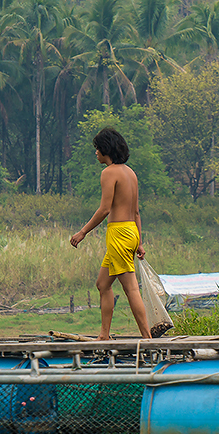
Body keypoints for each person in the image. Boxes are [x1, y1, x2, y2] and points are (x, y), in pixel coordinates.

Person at [70, 127, 151, 340]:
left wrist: (83, 232)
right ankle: (104, 334)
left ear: (106, 149)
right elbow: (135, 211)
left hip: (119, 234)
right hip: (130, 232)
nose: (95, 153)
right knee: (102, 284)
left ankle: (147, 337)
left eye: (97, 149)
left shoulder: (109, 173)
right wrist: (139, 242)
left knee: (131, 288)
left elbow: (105, 209)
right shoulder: (130, 173)